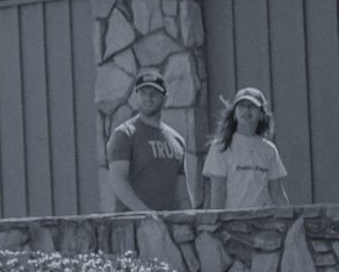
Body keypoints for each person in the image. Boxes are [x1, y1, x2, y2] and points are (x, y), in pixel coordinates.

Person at [104, 67, 192, 214]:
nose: (148, 98)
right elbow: (118, 181)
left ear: (165, 98)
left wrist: (191, 221)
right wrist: (147, 214)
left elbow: (182, 193)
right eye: (143, 93)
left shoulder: (177, 141)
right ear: (136, 96)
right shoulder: (124, 134)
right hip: (133, 226)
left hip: (170, 226)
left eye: (154, 93)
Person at [202, 86, 291, 210]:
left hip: (265, 223)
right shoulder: (220, 147)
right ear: (234, 113)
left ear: (261, 114)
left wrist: (289, 220)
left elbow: (277, 192)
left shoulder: (269, 150)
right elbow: (218, 191)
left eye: (252, 106)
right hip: (233, 223)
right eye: (241, 106)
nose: (246, 110)